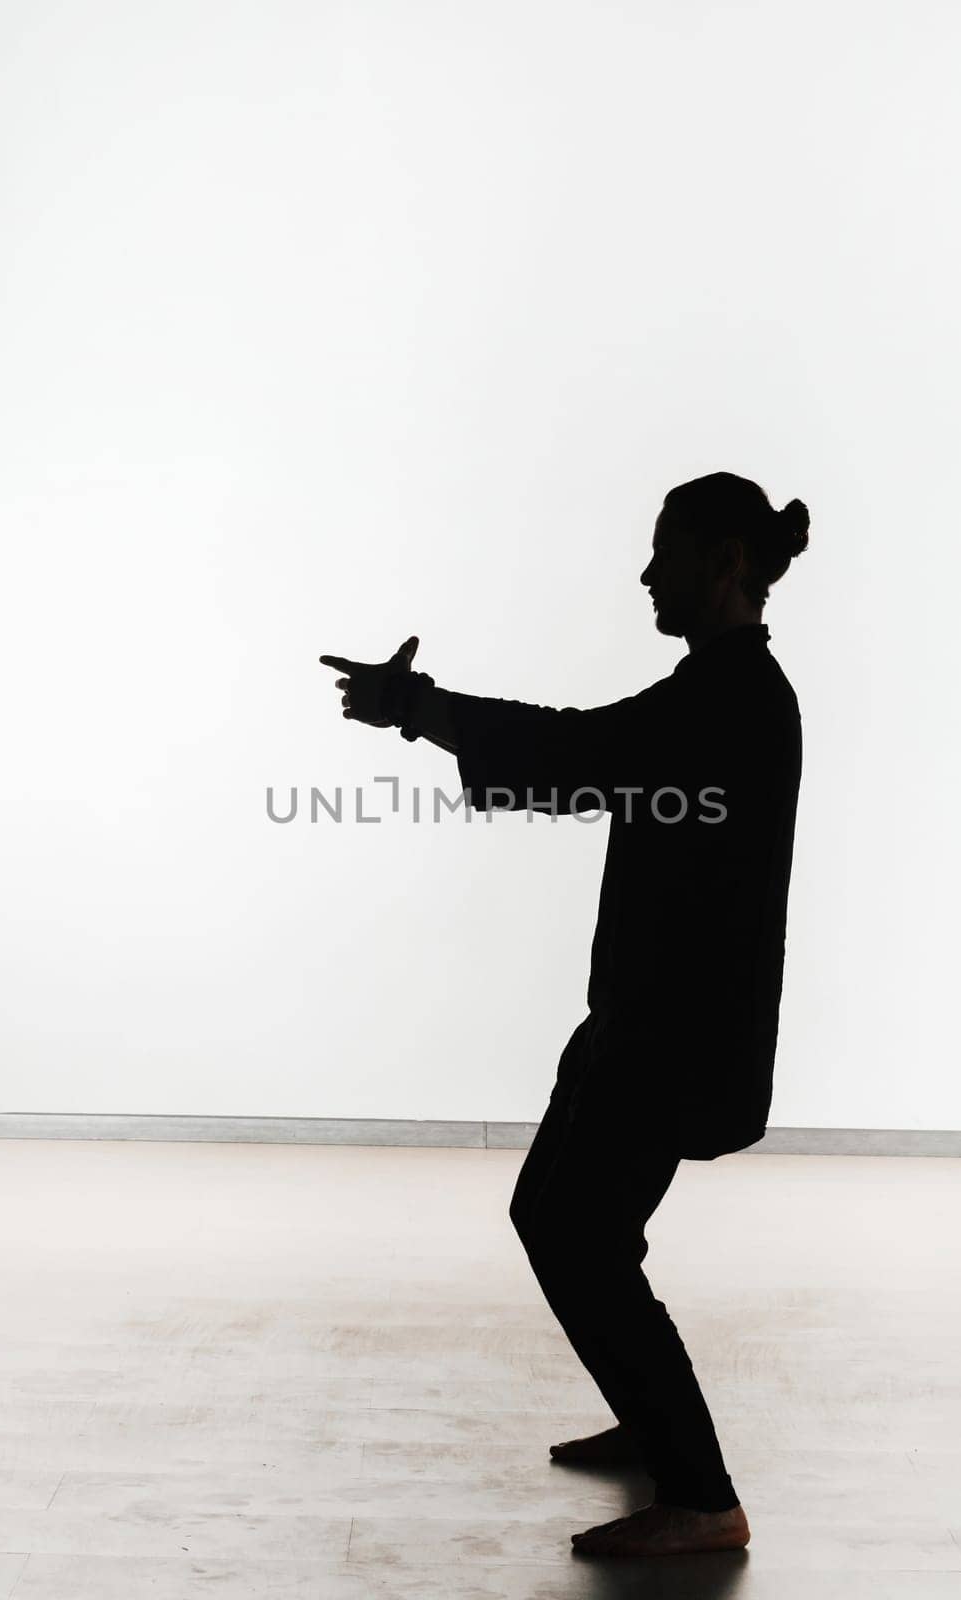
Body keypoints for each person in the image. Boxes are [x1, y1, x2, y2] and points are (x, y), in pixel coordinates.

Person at [319, 470, 808, 1558]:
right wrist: (427, 715)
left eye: (664, 553)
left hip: (667, 1035)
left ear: (722, 562)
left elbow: (575, 752)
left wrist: (417, 709)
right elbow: (581, 763)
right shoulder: (722, 692)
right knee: (573, 1220)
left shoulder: (725, 698)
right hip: (645, 1023)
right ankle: (651, 1422)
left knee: (571, 1232)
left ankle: (701, 1495)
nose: (645, 572)